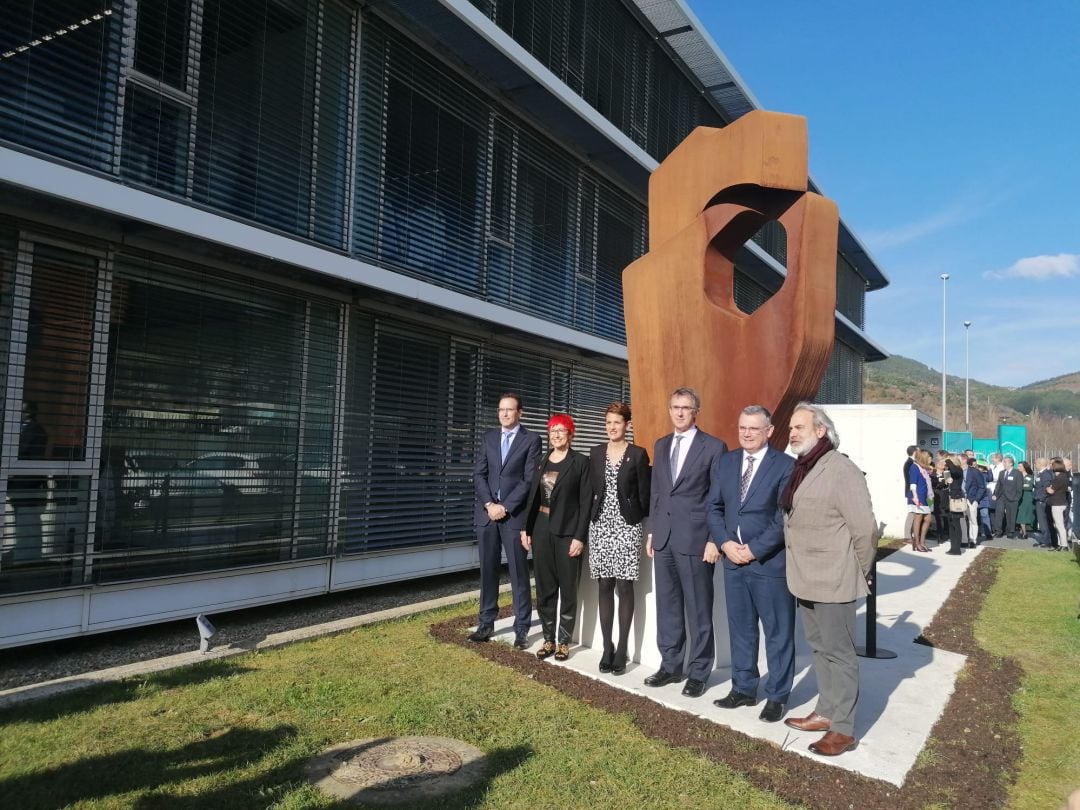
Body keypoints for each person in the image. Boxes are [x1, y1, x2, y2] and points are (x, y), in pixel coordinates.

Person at [782, 403, 876, 757]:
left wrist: (860, 570)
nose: (792, 433)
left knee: (840, 654)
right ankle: (826, 710)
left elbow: (864, 529)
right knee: (820, 649)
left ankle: (844, 728)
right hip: (805, 578)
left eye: (799, 427)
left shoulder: (840, 469)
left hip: (834, 579)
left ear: (821, 431)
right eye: (791, 428)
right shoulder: (805, 468)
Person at [706, 405, 795, 723]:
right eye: (742, 427)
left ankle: (778, 695)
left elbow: (784, 518)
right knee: (741, 629)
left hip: (769, 564)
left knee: (778, 631)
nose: (745, 433)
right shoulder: (727, 462)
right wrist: (725, 543)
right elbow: (713, 507)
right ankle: (743, 688)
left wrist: (754, 549)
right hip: (733, 561)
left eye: (753, 429)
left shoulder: (786, 466)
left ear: (769, 431)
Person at [644, 387, 727, 698]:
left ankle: (699, 671)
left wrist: (713, 540)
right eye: (675, 407)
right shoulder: (662, 444)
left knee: (698, 609)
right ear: (670, 410)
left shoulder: (714, 447)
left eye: (686, 407)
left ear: (696, 412)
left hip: (695, 540)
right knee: (667, 607)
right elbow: (657, 492)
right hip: (664, 538)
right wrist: (652, 531)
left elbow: (717, 498)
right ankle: (670, 665)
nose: (679, 412)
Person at [470, 393, 542, 648]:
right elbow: (479, 473)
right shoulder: (488, 437)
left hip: (514, 517)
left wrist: (506, 507)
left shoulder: (531, 439)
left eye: (509, 410)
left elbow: (529, 480)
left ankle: (521, 628)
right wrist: (490, 505)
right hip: (487, 516)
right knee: (487, 572)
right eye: (501, 409)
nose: (504, 414)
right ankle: (485, 623)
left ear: (519, 412)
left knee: (518, 574)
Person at [522, 414, 592, 660]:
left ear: (571, 434)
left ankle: (564, 641)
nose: (557, 435)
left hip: (568, 532)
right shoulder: (542, 460)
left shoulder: (581, 462)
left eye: (562, 430)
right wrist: (526, 528)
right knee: (545, 588)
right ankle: (548, 638)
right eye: (553, 431)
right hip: (542, 528)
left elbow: (586, 504)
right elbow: (533, 497)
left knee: (568, 588)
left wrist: (579, 537)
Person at [587, 402, 650, 675]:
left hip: (627, 525)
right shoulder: (595, 452)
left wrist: (640, 521)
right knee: (604, 585)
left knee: (624, 587)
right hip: (600, 524)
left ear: (627, 425)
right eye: (609, 422)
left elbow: (645, 495)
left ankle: (623, 648)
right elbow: (591, 489)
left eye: (617, 422)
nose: (612, 427)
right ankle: (607, 647)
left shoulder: (637, 454)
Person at [906, 449, 934, 552]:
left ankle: (922, 542)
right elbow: (913, 483)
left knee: (928, 519)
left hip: (927, 496)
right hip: (918, 496)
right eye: (928, 458)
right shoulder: (914, 467)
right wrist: (915, 496)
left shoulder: (924, 468)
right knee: (918, 518)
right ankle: (917, 543)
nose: (930, 459)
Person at [992, 455, 1023, 539]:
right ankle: (998, 531)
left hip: (1012, 498)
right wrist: (995, 494)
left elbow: (1020, 487)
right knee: (999, 514)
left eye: (1005, 462)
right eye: (1003, 462)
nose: (1004, 463)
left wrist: (1016, 498)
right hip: (1001, 497)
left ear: (1011, 463)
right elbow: (998, 485)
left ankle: (1010, 532)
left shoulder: (1017, 473)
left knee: (1011, 515)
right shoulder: (1002, 473)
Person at [1045, 458, 1071, 552]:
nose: (1051, 467)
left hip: (1057, 503)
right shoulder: (1064, 476)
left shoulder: (1059, 478)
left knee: (1059, 525)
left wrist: (1048, 488)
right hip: (1061, 502)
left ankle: (1064, 545)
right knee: (1058, 525)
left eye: (1052, 465)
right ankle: (1061, 544)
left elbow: (1051, 490)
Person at [942, 454, 966, 555]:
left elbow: (955, 472)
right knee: (951, 524)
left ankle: (957, 548)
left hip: (956, 499)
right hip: (949, 499)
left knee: (956, 524)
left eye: (948, 462)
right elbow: (946, 482)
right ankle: (953, 547)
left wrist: (948, 461)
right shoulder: (949, 471)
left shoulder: (958, 470)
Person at [964, 456, 987, 547]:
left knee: (973, 520)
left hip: (972, 499)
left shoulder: (975, 472)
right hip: (962, 499)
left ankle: (973, 540)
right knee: (964, 520)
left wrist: (976, 499)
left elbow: (982, 487)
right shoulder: (959, 471)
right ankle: (965, 539)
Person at [1016, 461, 1036, 540]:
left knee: (1023, 514)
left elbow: (1029, 486)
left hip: (1027, 497)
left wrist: (1019, 486)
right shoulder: (1017, 475)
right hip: (1018, 497)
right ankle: (1022, 531)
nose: (1018, 468)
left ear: (1024, 467)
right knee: (1020, 514)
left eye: (1020, 466)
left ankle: (1024, 533)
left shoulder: (1030, 476)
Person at [902, 445, 917, 547]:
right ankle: (907, 536)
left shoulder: (911, 463)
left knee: (915, 513)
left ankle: (912, 535)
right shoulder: (910, 463)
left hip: (912, 492)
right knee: (911, 513)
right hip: (911, 492)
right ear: (915, 452)